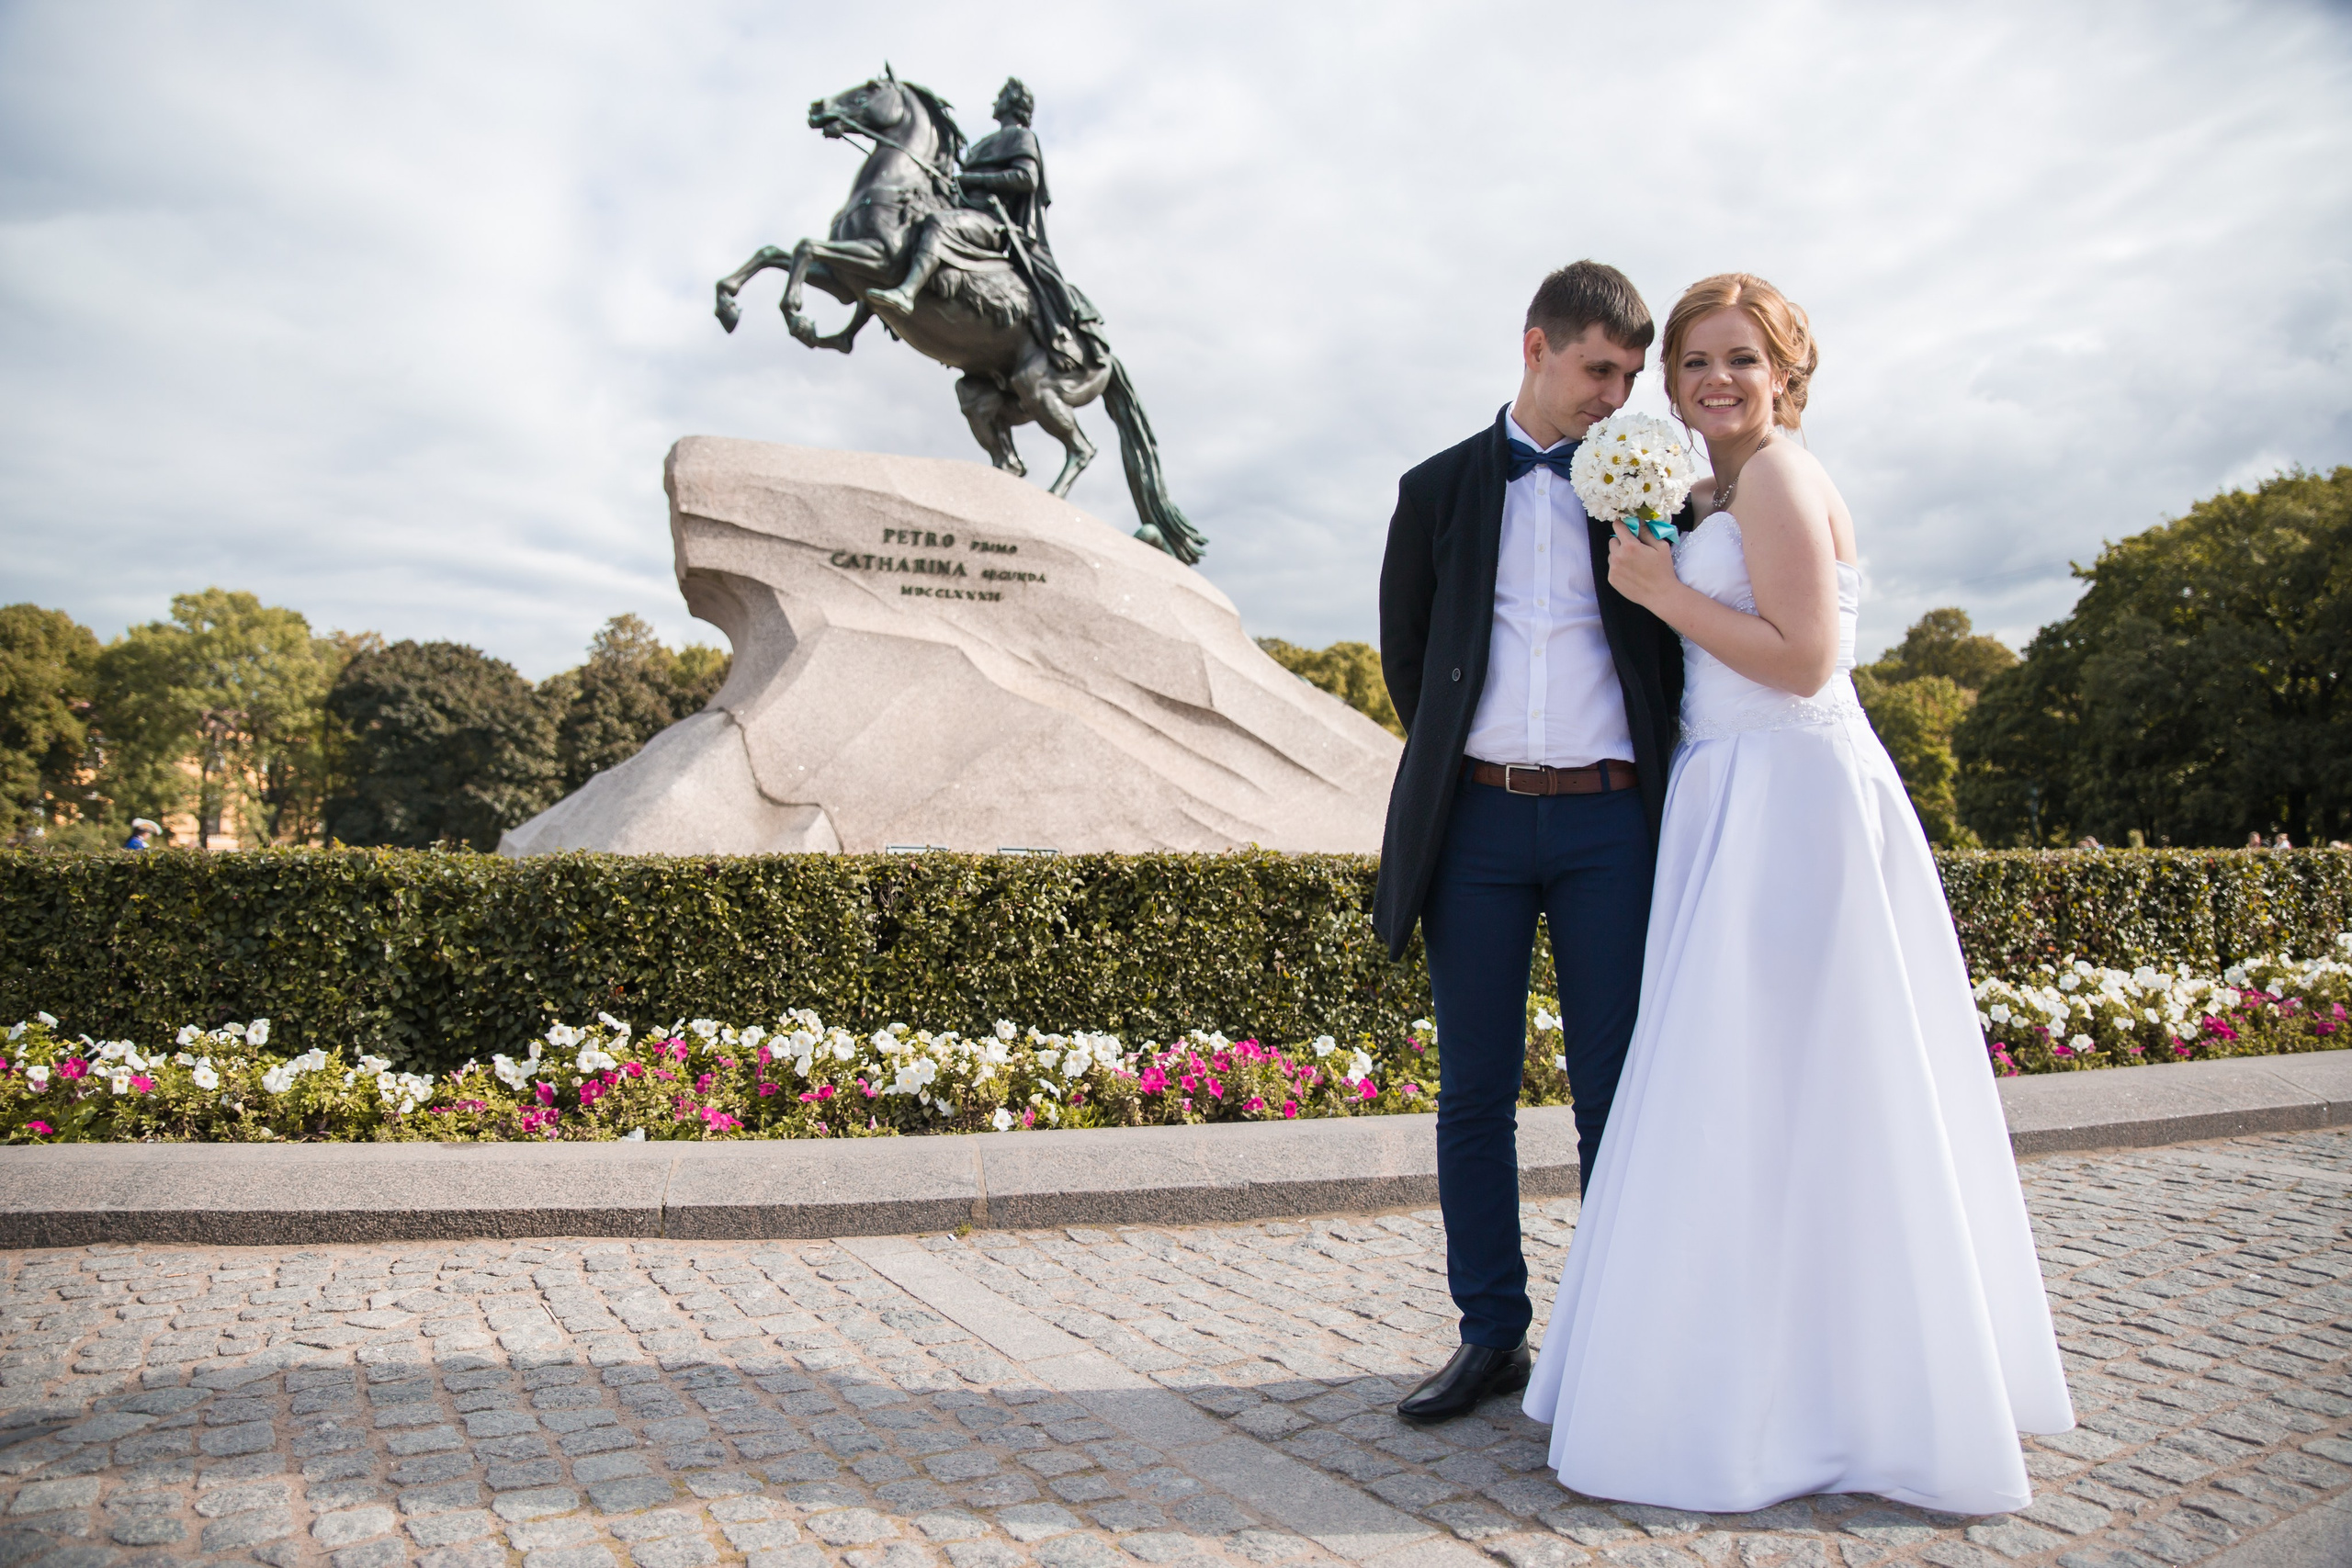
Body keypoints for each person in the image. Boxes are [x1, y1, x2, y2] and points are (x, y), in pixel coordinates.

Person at [1520, 274, 2075, 1513]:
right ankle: (1772, 1356)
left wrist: (1662, 595)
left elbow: (1807, 655)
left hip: (1788, 791)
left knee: (1794, 1078)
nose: (1715, 377)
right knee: (1759, 1084)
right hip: (1737, 785)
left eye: (1740, 358)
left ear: (1786, 372)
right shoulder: (1716, 485)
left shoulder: (1773, 477)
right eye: (1694, 360)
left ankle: (1807, 1385)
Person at [1373, 261, 1685, 1423]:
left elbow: (1672, 660)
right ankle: (1489, 1335)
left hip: (1613, 822)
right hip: (1479, 826)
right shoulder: (1436, 488)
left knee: (1615, 1093)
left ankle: (1614, 1335)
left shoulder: (1653, 490)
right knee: (1473, 1095)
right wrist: (1487, 765)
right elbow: (1413, 665)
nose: (1616, 395)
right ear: (1535, 346)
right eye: (1598, 369)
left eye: (1629, 376)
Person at [864, 77, 1098, 370]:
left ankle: (907, 291)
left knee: (938, 224)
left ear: (1013, 102)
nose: (994, 103)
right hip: (969, 214)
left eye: (1000, 97)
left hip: (993, 223)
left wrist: (973, 180)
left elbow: (1026, 179)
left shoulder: (1020, 137)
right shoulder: (983, 144)